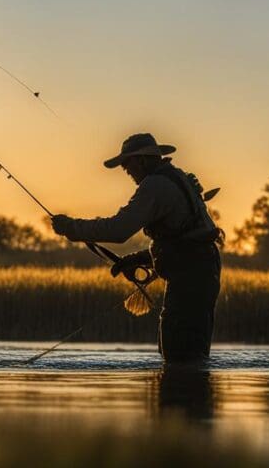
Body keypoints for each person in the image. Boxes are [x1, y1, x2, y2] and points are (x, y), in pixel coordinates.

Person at [50, 133, 222, 362]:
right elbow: (188, 238)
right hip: (201, 271)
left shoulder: (155, 185)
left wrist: (72, 228)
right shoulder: (177, 178)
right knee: (189, 352)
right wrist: (137, 259)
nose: (125, 170)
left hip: (191, 277)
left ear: (142, 160)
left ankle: (180, 396)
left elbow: (118, 230)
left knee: (179, 353)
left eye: (127, 164)